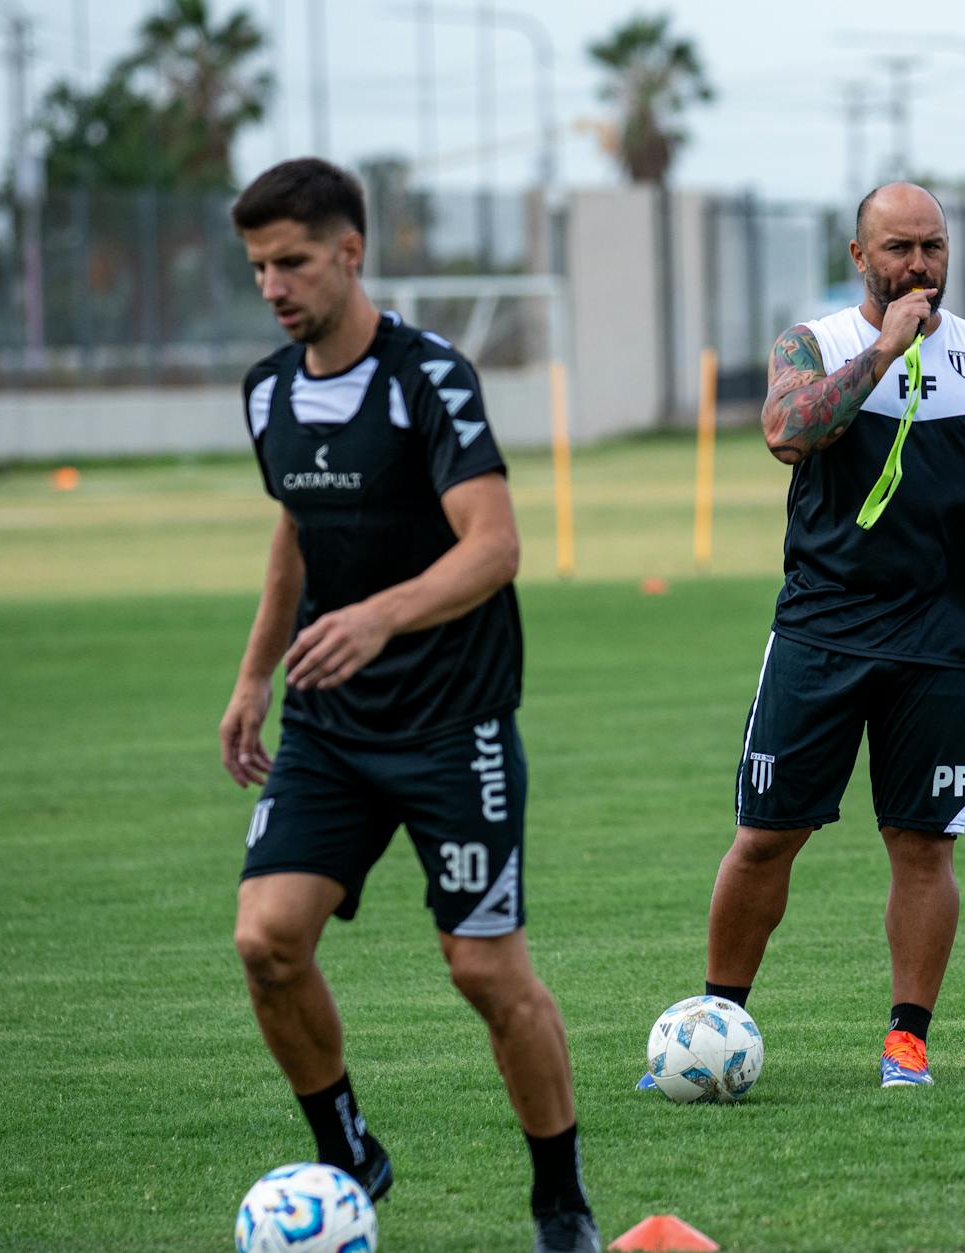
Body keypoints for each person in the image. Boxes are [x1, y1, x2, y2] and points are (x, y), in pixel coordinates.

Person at [218, 158, 599, 1253]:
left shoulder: (427, 378)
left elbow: (494, 546)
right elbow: (294, 529)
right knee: (265, 938)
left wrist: (380, 615)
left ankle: (559, 1199)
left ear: (351, 251)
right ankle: (347, 1157)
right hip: (330, 729)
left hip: (452, 722)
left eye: (291, 261)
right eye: (257, 267)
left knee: (484, 968)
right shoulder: (266, 390)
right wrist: (253, 677)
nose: (274, 285)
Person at [650, 181, 965, 1089]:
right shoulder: (815, 344)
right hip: (819, 637)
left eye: (934, 247)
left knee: (924, 846)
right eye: (899, 248)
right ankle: (720, 1021)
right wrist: (884, 351)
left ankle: (906, 1041)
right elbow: (786, 432)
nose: (919, 265)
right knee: (764, 837)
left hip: (939, 647)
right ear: (859, 257)